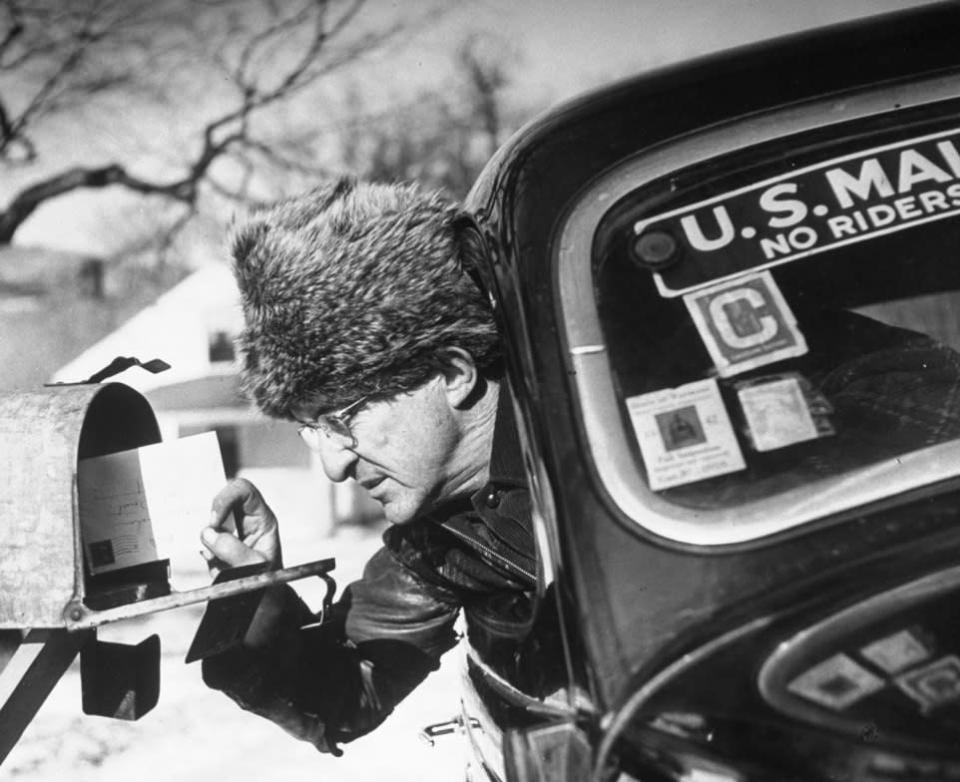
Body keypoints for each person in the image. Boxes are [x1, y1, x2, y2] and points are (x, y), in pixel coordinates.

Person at [199, 176, 539, 755]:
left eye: (340, 420)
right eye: (313, 431)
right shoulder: (439, 540)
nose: (332, 468)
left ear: (453, 373)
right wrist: (260, 601)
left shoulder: (611, 439)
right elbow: (342, 696)